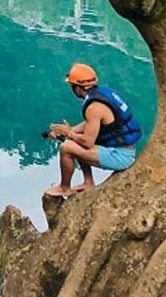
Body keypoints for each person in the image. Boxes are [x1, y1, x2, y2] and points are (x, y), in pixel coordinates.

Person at [43, 63, 142, 197]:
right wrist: (69, 130)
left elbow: (87, 143)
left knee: (66, 147)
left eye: (72, 86)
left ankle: (64, 188)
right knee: (73, 139)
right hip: (125, 149)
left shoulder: (93, 107)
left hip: (121, 156)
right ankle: (88, 182)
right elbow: (91, 124)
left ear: (78, 88)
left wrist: (69, 133)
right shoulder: (103, 94)